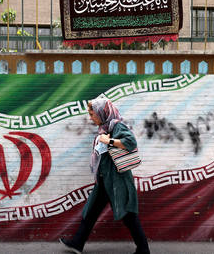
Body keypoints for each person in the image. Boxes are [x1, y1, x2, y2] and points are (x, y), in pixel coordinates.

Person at [59, 98, 150, 254]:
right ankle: (77, 243)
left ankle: (143, 248)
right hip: (104, 180)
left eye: (93, 114)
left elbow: (131, 142)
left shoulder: (116, 126)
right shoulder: (104, 128)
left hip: (117, 180)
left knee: (128, 215)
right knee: (91, 211)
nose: (90, 117)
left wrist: (110, 141)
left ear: (102, 113)